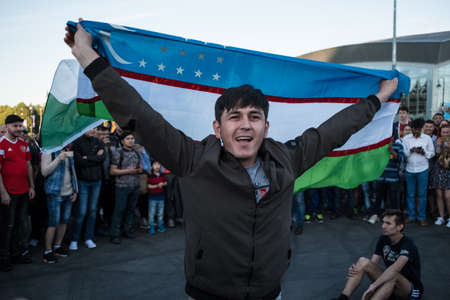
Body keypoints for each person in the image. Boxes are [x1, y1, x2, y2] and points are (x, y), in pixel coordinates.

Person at [65, 22, 398, 300]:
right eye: (234, 117)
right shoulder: (192, 159)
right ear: (217, 127)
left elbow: (334, 131)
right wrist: (86, 56)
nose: (244, 124)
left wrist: (379, 98)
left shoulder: (288, 159)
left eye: (254, 117)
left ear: (266, 127)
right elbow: (138, 114)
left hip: (270, 293)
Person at [331, 209, 423, 300]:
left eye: (388, 223)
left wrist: (374, 286)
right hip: (390, 283)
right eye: (383, 222)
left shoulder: (408, 244)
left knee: (393, 275)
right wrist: (358, 268)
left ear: (399, 227)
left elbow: (396, 268)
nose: (383, 226)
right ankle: (343, 298)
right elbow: (373, 263)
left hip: (408, 289)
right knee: (363, 261)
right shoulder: (383, 239)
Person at [0, 115, 35, 272]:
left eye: (20, 126)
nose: (19, 129)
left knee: (20, 225)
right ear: (7, 127)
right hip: (9, 193)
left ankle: (16, 254)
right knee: (7, 226)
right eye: (15, 126)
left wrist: (31, 187)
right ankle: (3, 259)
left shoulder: (23, 144)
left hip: (23, 191)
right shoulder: (1, 144)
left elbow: (28, 166)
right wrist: (3, 193)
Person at [41, 147, 78, 263]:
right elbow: (44, 172)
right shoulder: (49, 152)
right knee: (53, 222)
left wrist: (75, 190)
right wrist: (58, 159)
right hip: (54, 193)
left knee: (64, 221)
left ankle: (57, 246)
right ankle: (47, 251)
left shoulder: (69, 150)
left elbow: (73, 171)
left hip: (69, 193)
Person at [70, 128, 105, 250]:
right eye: (90, 128)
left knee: (93, 210)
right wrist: (94, 157)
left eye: (95, 128)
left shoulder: (99, 142)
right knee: (82, 211)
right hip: (83, 181)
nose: (93, 130)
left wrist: (87, 158)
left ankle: (88, 237)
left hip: (97, 181)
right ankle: (74, 239)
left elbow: (102, 158)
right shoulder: (78, 143)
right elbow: (78, 161)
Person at [109, 131, 142, 244]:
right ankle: (115, 234)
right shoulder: (118, 152)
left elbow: (139, 167)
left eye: (132, 138)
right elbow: (112, 171)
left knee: (130, 210)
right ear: (122, 141)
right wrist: (129, 171)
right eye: (128, 138)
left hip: (135, 185)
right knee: (119, 210)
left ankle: (127, 230)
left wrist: (139, 169)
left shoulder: (137, 152)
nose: (131, 140)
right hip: (122, 186)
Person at [402, 118, 435, 226]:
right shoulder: (406, 138)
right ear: (411, 128)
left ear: (421, 129)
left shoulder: (427, 138)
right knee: (410, 194)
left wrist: (423, 152)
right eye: (414, 129)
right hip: (409, 169)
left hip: (423, 169)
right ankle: (411, 216)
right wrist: (410, 151)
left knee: (422, 194)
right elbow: (404, 153)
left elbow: (432, 154)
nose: (416, 131)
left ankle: (421, 217)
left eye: (418, 129)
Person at [430, 125, 450, 227]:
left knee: (448, 196)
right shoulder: (437, 141)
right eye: (444, 132)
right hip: (438, 170)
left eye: (447, 132)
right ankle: (441, 217)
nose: (446, 134)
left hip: (449, 171)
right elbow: (435, 155)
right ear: (440, 133)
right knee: (439, 195)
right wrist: (438, 146)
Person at [147, 160, 168, 234]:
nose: (157, 166)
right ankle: (151, 226)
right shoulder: (150, 175)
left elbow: (166, 183)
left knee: (160, 213)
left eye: (159, 164)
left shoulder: (162, 174)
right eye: (155, 164)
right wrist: (157, 185)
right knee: (152, 213)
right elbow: (149, 186)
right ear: (152, 166)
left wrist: (163, 183)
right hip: (152, 197)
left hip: (161, 197)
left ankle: (160, 225)